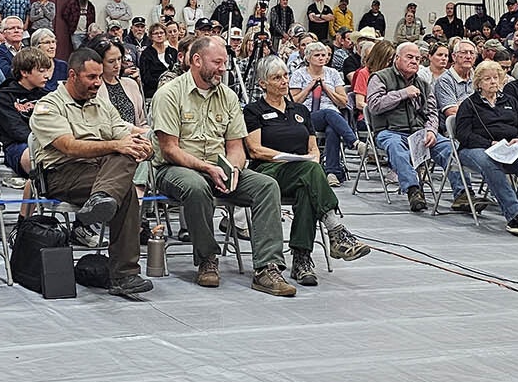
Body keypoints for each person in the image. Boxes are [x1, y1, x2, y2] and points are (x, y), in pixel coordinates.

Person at [149, 36, 296, 295]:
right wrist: (207, 169)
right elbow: (169, 149)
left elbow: (236, 147)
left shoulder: (227, 96)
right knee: (196, 187)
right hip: (176, 169)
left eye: (225, 62)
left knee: (266, 186)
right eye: (217, 62)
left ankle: (267, 268)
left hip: (220, 168)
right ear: (196, 60)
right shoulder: (169, 94)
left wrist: (234, 170)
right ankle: (207, 258)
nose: (223, 68)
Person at [28, 48, 156, 299]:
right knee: (125, 187)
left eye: (100, 77)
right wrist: (117, 145)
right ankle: (124, 275)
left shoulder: (102, 104)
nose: (97, 83)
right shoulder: (49, 106)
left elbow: (123, 134)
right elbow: (68, 146)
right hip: (62, 172)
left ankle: (102, 200)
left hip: (102, 172)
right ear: (72, 75)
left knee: (126, 164)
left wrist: (142, 146)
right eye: (91, 78)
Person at [244, 57, 371, 285]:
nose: (283, 82)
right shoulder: (254, 111)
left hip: (301, 173)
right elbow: (255, 150)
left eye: (285, 76)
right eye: (276, 78)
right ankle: (335, 230)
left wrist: (309, 159)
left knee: (307, 186)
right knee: (310, 171)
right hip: (269, 172)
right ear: (263, 83)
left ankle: (302, 260)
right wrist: (293, 159)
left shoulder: (300, 110)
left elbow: (313, 148)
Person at [367, 42, 470, 212]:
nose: (414, 61)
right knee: (397, 149)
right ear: (396, 58)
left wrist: (431, 130)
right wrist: (403, 93)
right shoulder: (380, 77)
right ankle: (414, 191)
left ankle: (463, 193)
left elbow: (432, 113)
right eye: (409, 57)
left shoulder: (424, 84)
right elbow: (374, 105)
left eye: (417, 58)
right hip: (389, 131)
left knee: (451, 148)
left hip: (420, 132)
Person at [453, 60, 518, 236]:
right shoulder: (469, 104)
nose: (493, 82)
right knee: (490, 164)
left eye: (496, 78)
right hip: (476, 148)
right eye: (487, 79)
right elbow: (463, 134)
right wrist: (489, 144)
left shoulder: (510, 100)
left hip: (509, 147)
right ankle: (517, 213)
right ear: (478, 83)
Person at [289, 42, 359, 187]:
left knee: (332, 128)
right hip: (306, 117)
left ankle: (332, 173)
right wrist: (309, 87)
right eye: (317, 55)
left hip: (332, 117)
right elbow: (293, 103)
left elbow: (343, 102)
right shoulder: (299, 74)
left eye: (324, 55)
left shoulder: (333, 73)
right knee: (329, 113)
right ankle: (354, 142)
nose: (321, 58)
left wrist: (327, 89)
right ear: (308, 58)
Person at [0, 47, 53, 179]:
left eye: (47, 71)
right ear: (24, 72)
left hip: (49, 142)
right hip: (18, 146)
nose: (47, 76)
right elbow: (15, 130)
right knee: (37, 161)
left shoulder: (48, 96)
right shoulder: (4, 97)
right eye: (41, 71)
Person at [138, 21, 178, 99]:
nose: (159, 35)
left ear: (166, 35)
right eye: (156, 33)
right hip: (154, 91)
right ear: (151, 36)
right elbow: (146, 78)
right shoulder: (146, 54)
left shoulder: (173, 52)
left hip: (174, 89)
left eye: (161, 33)